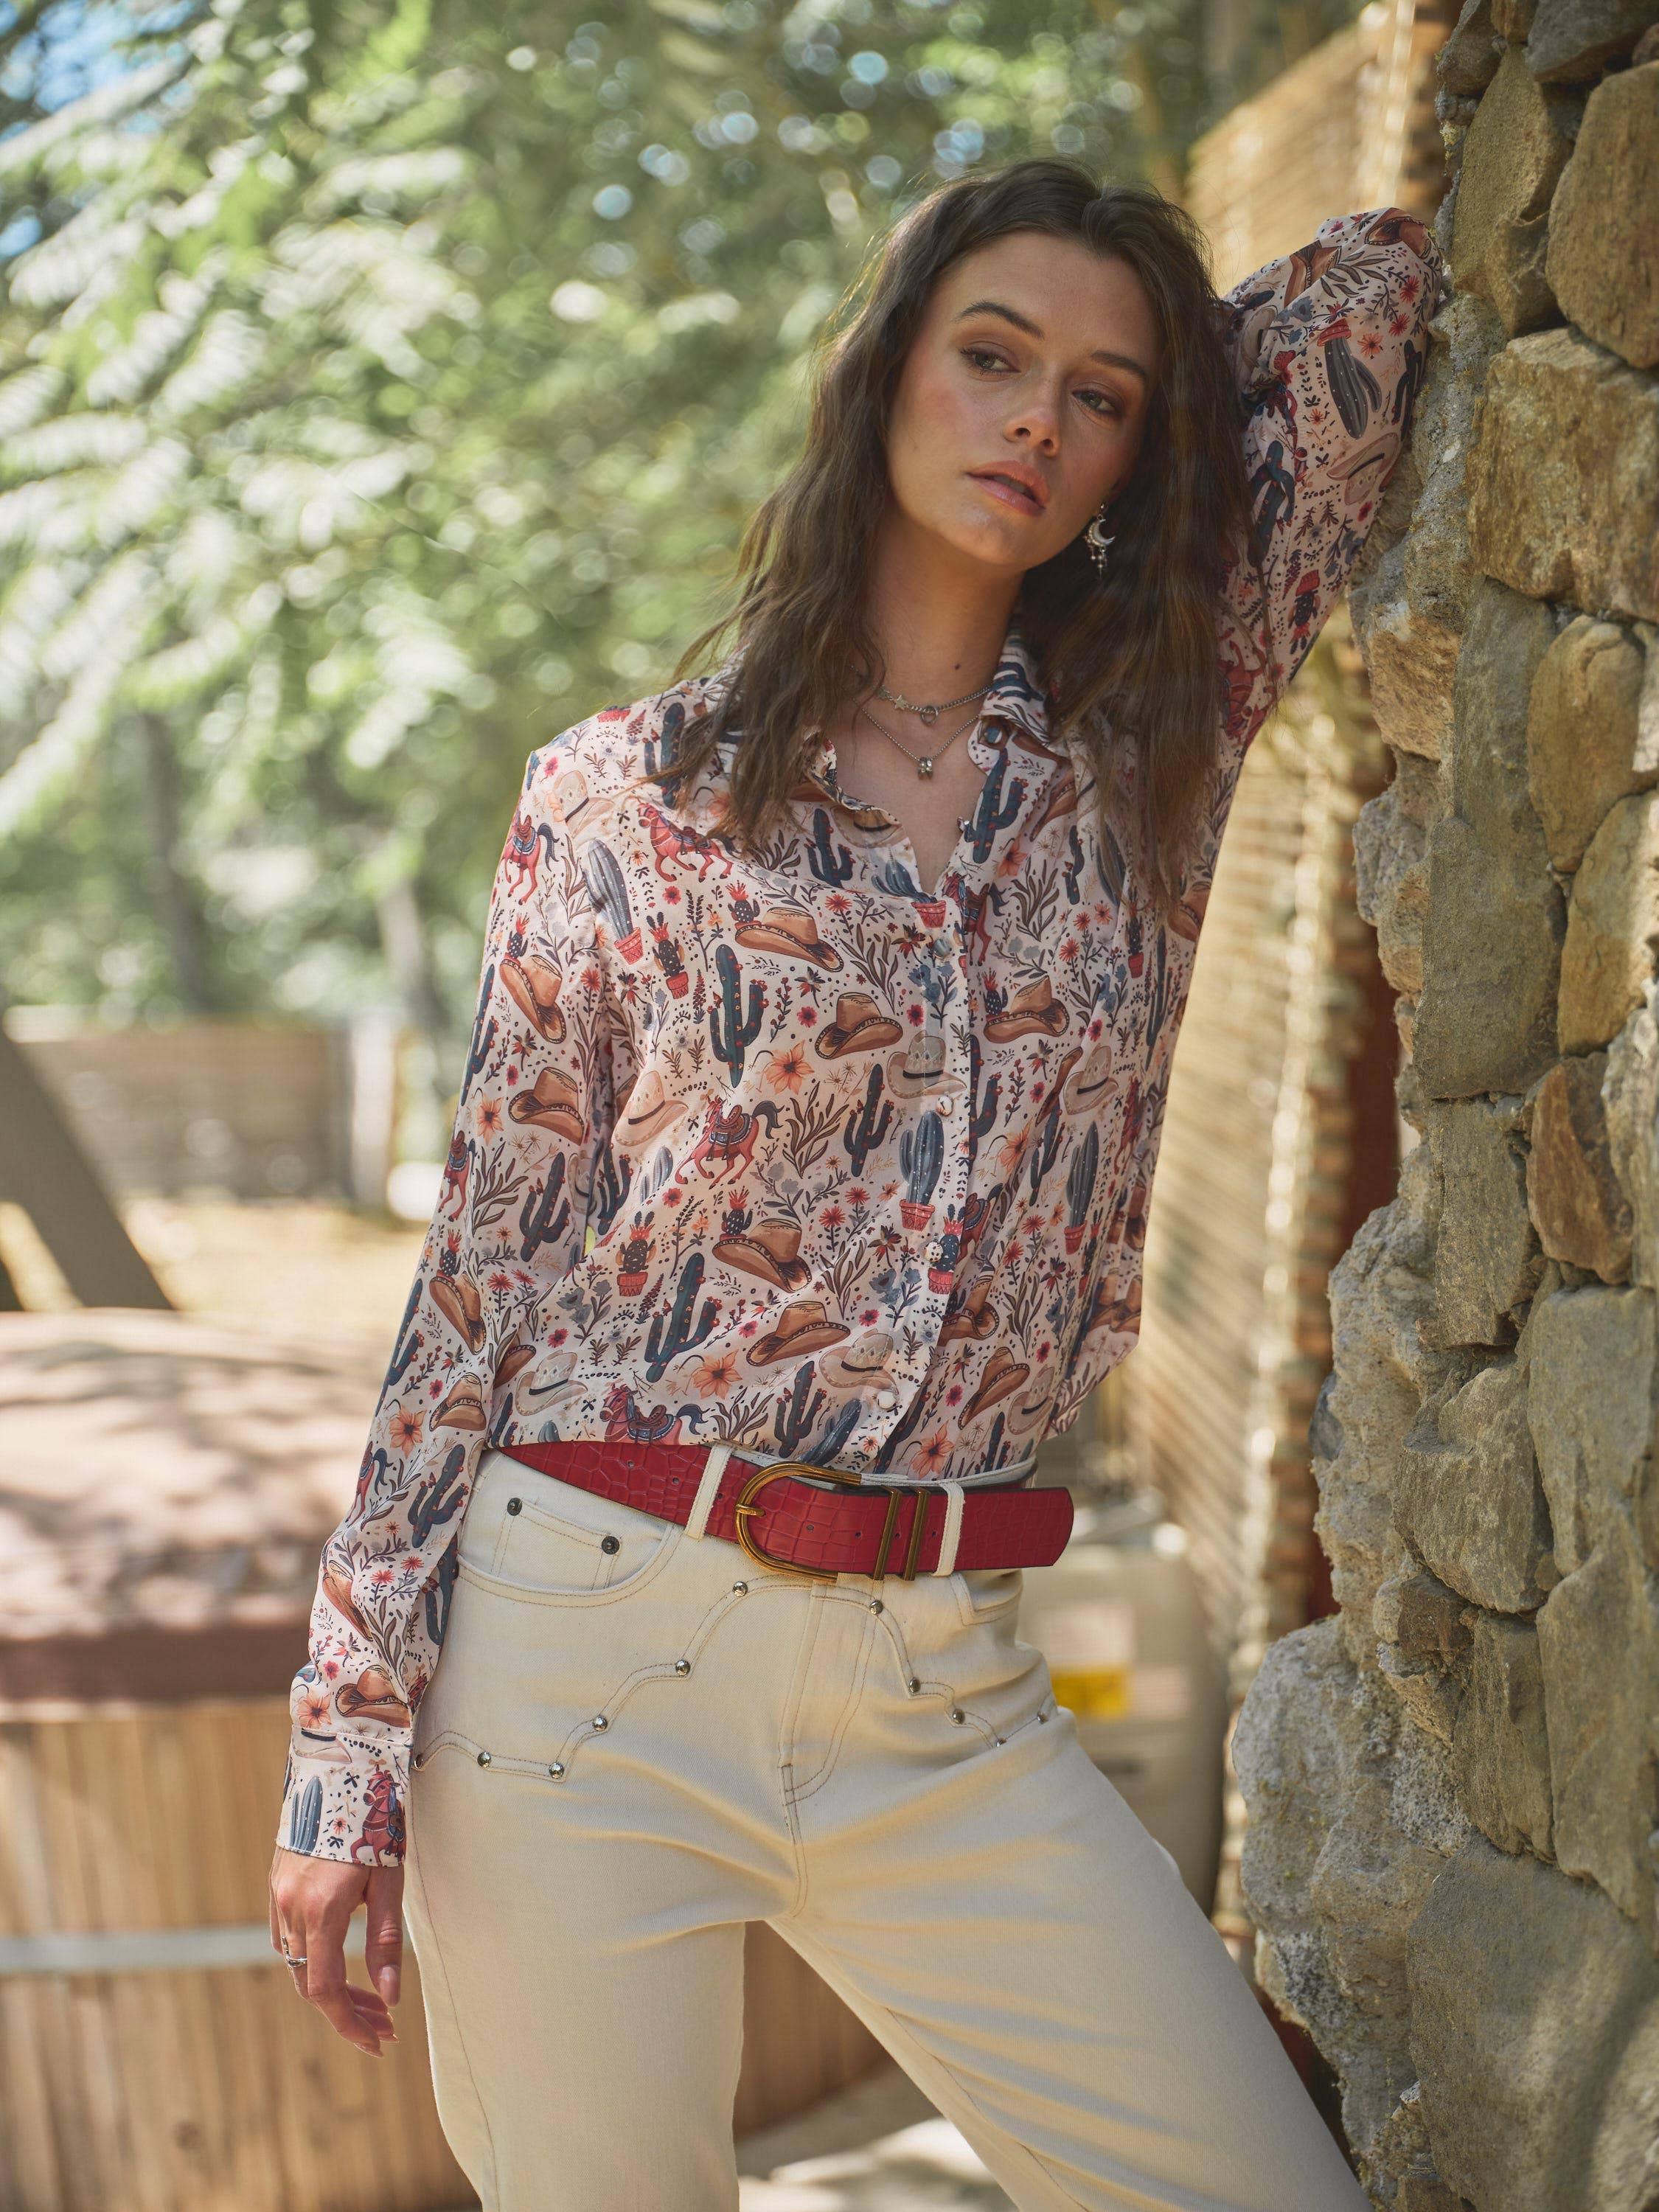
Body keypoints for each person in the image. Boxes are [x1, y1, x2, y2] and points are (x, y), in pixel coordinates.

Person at [270, 156, 1444, 2208]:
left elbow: (1360, 303)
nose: (1034, 425)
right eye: (986, 356)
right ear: (876, 370)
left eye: (1100, 396)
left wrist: (1145, 342)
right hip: (584, 1665)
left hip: (947, 1686)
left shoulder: (1150, 742)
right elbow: (481, 1273)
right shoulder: (619, 795)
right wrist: (350, 1734)